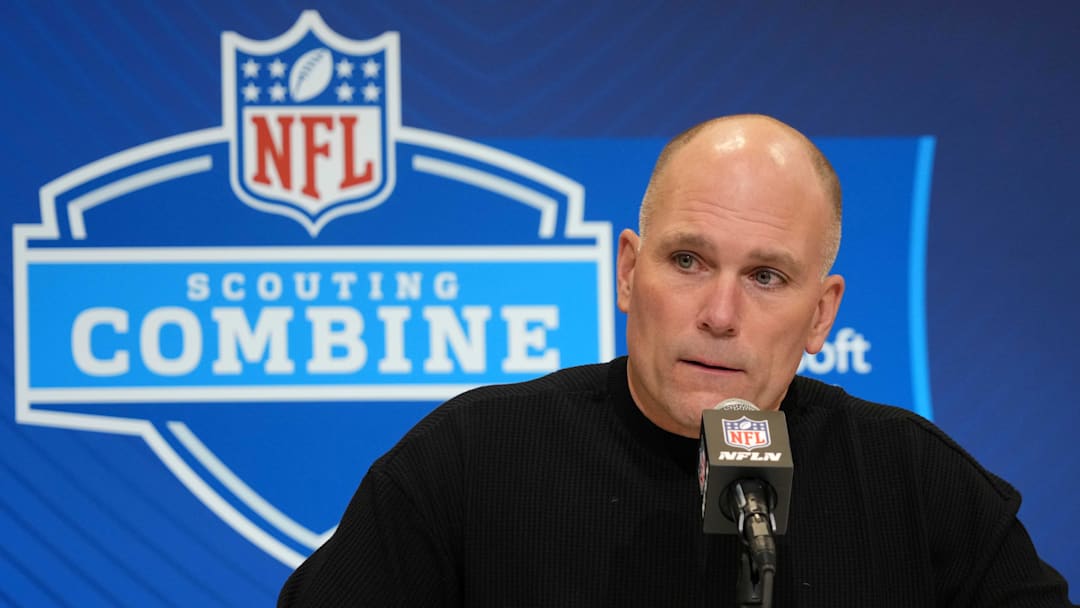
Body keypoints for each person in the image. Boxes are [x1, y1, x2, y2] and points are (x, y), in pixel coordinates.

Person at [278, 115, 1074, 606]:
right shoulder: (469, 462)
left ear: (822, 314)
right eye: (688, 261)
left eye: (766, 277)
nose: (719, 315)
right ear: (629, 272)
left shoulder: (918, 487)